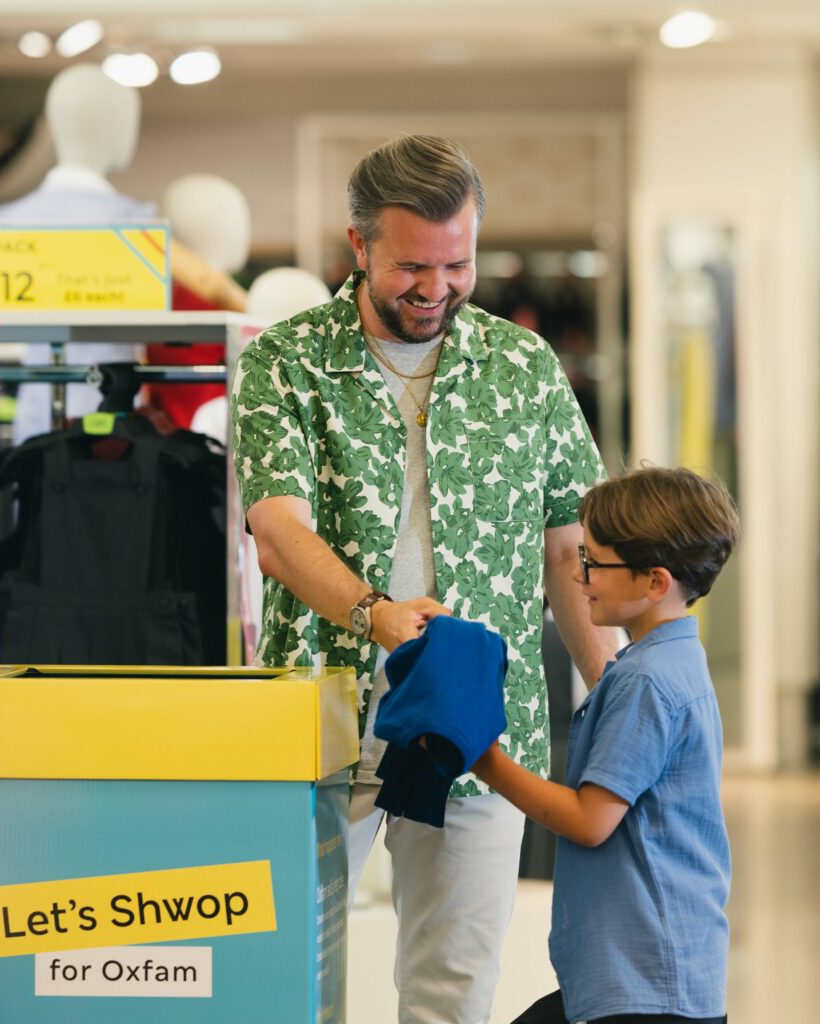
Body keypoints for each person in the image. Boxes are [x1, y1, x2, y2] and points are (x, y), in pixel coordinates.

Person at [232, 133, 621, 1023]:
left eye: (459, 265)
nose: (437, 288)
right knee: (294, 982)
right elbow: (279, 531)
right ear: (357, 244)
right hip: (322, 719)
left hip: (483, 729)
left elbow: (571, 553)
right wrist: (376, 615)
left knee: (453, 990)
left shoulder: (522, 367)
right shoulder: (284, 363)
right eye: (413, 266)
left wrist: (616, 694)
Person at [470, 467, 737, 1024]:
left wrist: (486, 762)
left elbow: (592, 819)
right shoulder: (668, 661)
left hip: (645, 983)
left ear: (655, 582)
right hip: (645, 974)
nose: (580, 575)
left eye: (594, 562)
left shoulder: (648, 681)